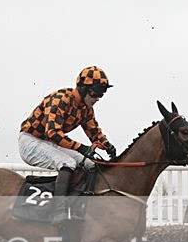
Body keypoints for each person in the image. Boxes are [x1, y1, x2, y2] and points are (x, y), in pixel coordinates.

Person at [18, 66, 118, 223]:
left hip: (49, 143)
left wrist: (107, 144)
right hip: (30, 141)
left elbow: (94, 133)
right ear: (83, 89)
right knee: (67, 163)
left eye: (102, 94)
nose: (98, 97)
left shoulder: (87, 109)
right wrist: (82, 148)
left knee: (92, 165)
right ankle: (59, 211)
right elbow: (53, 133)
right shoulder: (60, 99)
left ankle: (81, 208)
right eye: (96, 92)